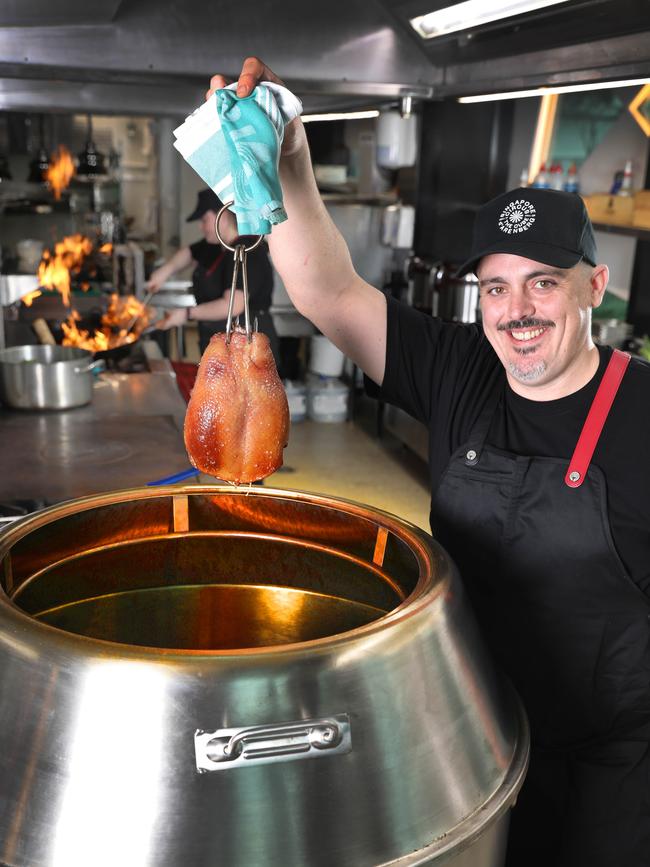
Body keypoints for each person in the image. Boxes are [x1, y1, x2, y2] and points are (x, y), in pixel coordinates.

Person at [206, 59, 650, 866]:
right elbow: (329, 293)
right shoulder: (460, 367)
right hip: (468, 729)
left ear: (595, 286)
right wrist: (292, 167)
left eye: (542, 284)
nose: (515, 313)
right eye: (496, 288)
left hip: (614, 766)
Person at [147, 187, 279, 358]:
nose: (201, 227)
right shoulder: (217, 246)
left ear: (222, 216)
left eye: (204, 220)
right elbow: (189, 253)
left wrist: (187, 313)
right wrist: (164, 272)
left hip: (248, 350)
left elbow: (233, 305)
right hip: (220, 345)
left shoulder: (245, 250)